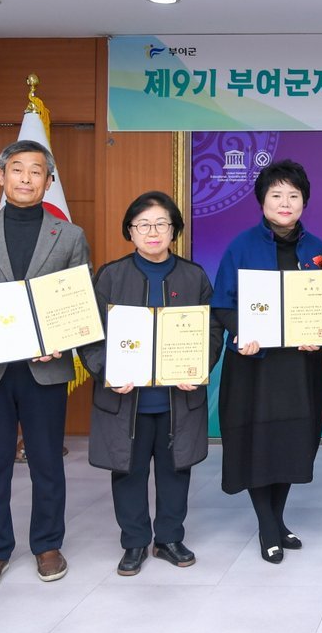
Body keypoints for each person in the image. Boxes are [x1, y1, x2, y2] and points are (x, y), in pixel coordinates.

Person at [0, 140, 91, 593]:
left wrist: (62, 340)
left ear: (49, 181)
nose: (26, 178)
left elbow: (79, 298)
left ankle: (47, 545)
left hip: (45, 368)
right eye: (17, 169)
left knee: (47, 463)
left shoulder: (69, 236)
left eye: (36, 171)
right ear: (1, 176)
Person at [80, 192, 222, 576]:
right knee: (129, 470)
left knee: (176, 470)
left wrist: (199, 366)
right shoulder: (111, 276)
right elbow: (90, 334)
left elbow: (211, 331)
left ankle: (169, 538)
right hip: (126, 400)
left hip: (178, 399)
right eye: (143, 224)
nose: (153, 232)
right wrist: (107, 371)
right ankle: (134, 541)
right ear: (130, 231)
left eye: (161, 224)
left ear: (174, 230)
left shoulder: (193, 276)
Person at [211, 160, 322, 564]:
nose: (285, 202)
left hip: (300, 367)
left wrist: (320, 333)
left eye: (293, 195)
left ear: (304, 202)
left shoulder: (317, 250)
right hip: (255, 365)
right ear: (262, 200)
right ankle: (267, 525)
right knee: (257, 444)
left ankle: (277, 519)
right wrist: (241, 332)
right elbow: (222, 304)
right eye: (276, 194)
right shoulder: (241, 246)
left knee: (293, 443)